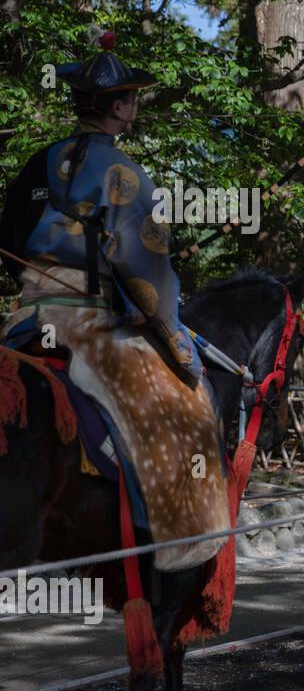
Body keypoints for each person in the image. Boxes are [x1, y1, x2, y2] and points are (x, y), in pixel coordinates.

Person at [0, 33, 231, 562]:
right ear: (119, 107)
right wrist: (175, 337)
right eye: (131, 100)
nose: (135, 108)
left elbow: (8, 241)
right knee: (183, 407)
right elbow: (146, 274)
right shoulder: (125, 174)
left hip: (25, 319)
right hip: (91, 327)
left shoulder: (38, 163)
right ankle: (172, 545)